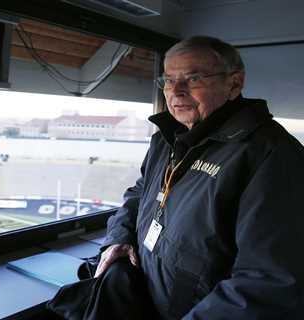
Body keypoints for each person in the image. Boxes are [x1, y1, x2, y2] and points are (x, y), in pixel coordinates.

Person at [95, 36, 304, 319]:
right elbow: (139, 194)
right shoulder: (165, 140)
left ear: (234, 83)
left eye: (193, 78)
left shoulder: (271, 156)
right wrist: (119, 237)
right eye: (169, 80)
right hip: (144, 300)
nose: (176, 92)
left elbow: (268, 282)